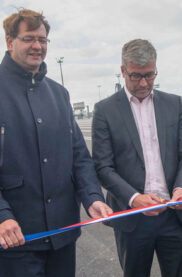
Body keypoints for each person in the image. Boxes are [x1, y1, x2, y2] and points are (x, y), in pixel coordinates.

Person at [0, 8, 112, 277]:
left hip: (62, 234)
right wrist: (2, 215)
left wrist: (93, 197)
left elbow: (79, 156)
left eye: (43, 40)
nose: (37, 46)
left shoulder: (59, 94)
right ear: (9, 41)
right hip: (15, 238)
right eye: (29, 38)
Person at [92, 39, 182, 277]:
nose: (143, 83)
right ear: (122, 71)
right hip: (132, 220)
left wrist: (181, 188)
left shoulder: (174, 103)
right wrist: (134, 198)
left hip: (173, 214)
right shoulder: (105, 110)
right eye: (136, 76)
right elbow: (103, 166)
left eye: (149, 75)